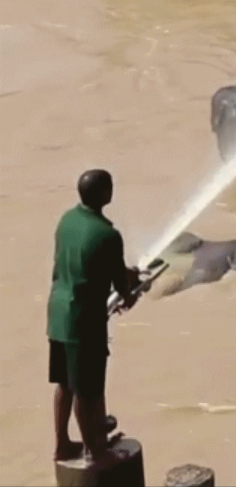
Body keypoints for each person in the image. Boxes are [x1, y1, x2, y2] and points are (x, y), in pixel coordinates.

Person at [48, 168, 141, 464]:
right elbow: (121, 288)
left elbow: (78, 263)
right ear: (104, 194)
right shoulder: (107, 234)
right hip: (83, 322)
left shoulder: (67, 220)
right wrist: (133, 287)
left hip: (58, 312)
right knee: (87, 390)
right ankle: (96, 452)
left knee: (64, 383)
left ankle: (63, 444)